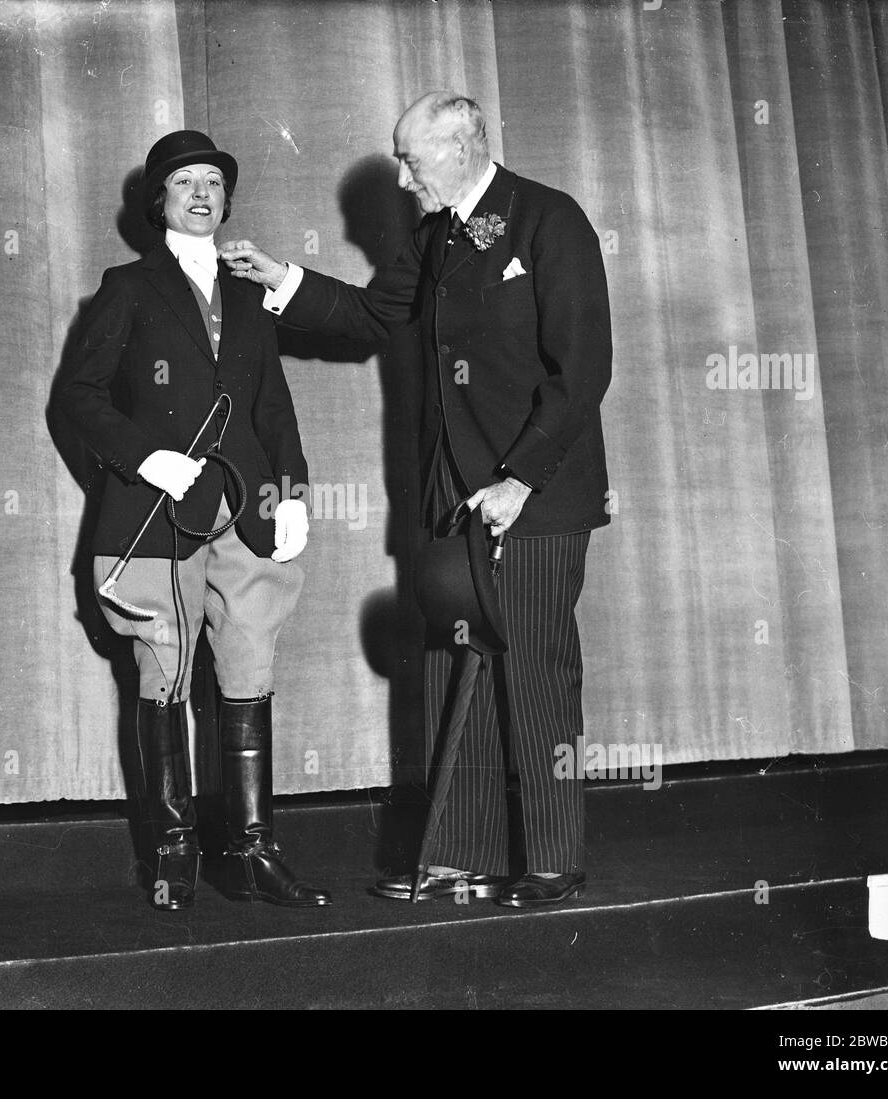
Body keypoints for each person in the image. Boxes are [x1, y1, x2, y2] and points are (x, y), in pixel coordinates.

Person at [222, 92, 611, 907]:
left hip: (531, 493)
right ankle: (456, 855)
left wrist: (520, 479)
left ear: (465, 145)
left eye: (412, 159)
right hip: (449, 492)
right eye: (398, 160)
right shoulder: (435, 238)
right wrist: (282, 281)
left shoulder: (548, 220)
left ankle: (551, 859)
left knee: (532, 668)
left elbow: (584, 370)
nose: (402, 179)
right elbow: (371, 314)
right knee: (448, 671)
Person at [50, 130, 331, 911]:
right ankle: (173, 853)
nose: (202, 193)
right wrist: (148, 459)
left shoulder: (249, 294)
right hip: (158, 513)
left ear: (227, 200)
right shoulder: (127, 288)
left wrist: (292, 494)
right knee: (164, 671)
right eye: (185, 183)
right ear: (159, 202)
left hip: (246, 511)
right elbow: (79, 396)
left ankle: (248, 850)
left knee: (248, 669)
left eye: (213, 181)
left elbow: (272, 406)